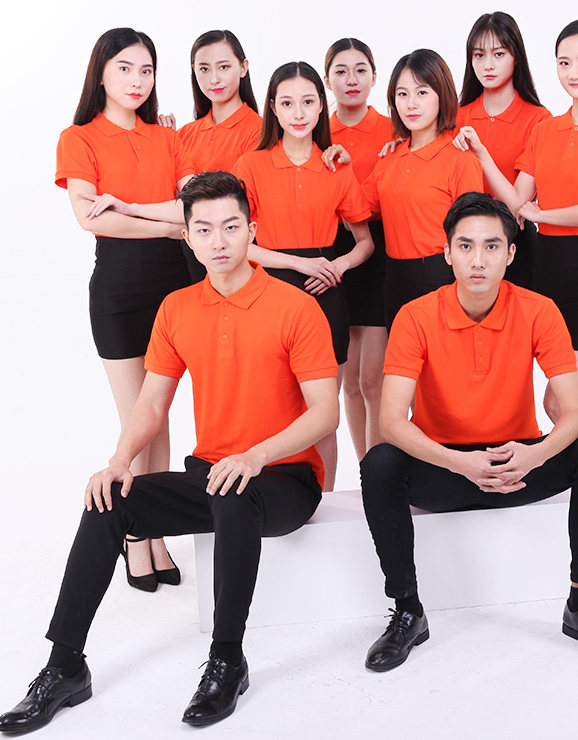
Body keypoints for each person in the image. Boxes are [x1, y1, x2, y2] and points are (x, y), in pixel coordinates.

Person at [0, 171, 340, 733]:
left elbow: (325, 412)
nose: (219, 241)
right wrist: (118, 462)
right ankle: (64, 668)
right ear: (187, 236)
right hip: (212, 472)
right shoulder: (177, 308)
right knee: (109, 501)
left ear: (252, 231)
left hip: (283, 478)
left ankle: (227, 661)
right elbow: (152, 404)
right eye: (203, 229)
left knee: (234, 494)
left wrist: (255, 457)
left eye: (231, 226)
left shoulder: (294, 307)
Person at [360, 192, 578, 672]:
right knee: (379, 463)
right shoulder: (415, 316)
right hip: (445, 466)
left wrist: (533, 456)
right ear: (447, 252)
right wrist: (459, 463)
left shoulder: (538, 310)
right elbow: (390, 420)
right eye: (465, 246)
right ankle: (408, 610)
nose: (478, 260)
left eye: (491, 246)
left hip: (517, 464)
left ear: (510, 253)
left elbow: (574, 412)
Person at [55, 27, 195, 592]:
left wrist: (144, 213)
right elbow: (91, 217)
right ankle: (136, 535)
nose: (138, 81)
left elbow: (191, 207)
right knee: (136, 418)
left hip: (175, 289)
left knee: (160, 415)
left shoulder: (168, 136)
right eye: (125, 68)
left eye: (147, 70)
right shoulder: (79, 137)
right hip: (118, 290)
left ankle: (153, 529)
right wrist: (165, 223)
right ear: (101, 72)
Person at [455, 18, 578, 424]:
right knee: (565, 402)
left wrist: (542, 215)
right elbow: (516, 201)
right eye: (564, 63)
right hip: (548, 274)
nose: (574, 72)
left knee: (561, 402)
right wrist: (481, 154)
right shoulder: (546, 129)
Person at [231, 61, 373, 491]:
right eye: (288, 103)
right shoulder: (251, 165)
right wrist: (298, 263)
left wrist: (336, 266)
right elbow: (239, 243)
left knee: (322, 412)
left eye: (308, 102)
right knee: (270, 407)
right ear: (273, 107)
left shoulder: (336, 167)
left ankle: (323, 501)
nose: (298, 113)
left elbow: (364, 242)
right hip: (268, 293)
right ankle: (270, 495)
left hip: (324, 293)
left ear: (321, 106)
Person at [361, 48, 484, 329]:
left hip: (443, 276)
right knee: (400, 356)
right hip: (394, 277)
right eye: (402, 94)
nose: (411, 104)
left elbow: (472, 235)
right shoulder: (389, 157)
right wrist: (338, 162)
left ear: (442, 94)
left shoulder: (461, 160)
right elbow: (354, 209)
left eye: (422, 92)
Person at [323, 38, 392, 458]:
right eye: (341, 71)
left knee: (373, 380)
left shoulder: (393, 128)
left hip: (380, 248)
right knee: (348, 382)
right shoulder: (316, 128)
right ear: (327, 78)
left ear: (374, 76)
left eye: (361, 69)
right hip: (332, 250)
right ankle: (366, 469)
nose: (352, 79)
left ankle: (381, 472)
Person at [455, 11, 551, 288]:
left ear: (516, 56)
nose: (488, 65)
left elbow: (519, 206)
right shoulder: (457, 118)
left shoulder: (539, 120)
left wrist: (480, 153)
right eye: (479, 55)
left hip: (516, 245)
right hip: (464, 244)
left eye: (498, 54)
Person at [165, 29, 262, 283]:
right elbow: (166, 195)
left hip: (230, 259)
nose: (214, 79)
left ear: (243, 68)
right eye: (204, 69)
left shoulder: (260, 131)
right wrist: (160, 144)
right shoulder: (184, 134)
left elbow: (236, 204)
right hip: (181, 258)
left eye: (224, 67)